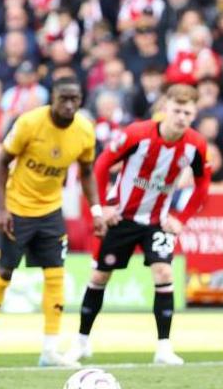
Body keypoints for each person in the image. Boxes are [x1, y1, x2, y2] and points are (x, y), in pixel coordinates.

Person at [70, 84, 211, 366]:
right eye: (177, 110)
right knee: (99, 277)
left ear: (194, 114)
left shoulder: (196, 145)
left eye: (188, 112)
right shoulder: (136, 134)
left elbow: (203, 184)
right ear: (164, 108)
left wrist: (180, 218)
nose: (181, 117)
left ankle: (163, 347)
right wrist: (102, 209)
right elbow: (101, 166)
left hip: (157, 221)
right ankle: (82, 342)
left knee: (163, 273)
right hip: (121, 217)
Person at [0, 76, 106, 368]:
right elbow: (1, 165)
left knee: (56, 275)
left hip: (50, 212)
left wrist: (96, 210)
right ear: (53, 99)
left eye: (75, 99)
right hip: (18, 209)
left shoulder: (85, 131)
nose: (70, 105)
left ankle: (49, 348)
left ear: (81, 100)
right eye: (64, 99)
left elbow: (87, 172)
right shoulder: (29, 123)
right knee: (4, 273)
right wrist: (3, 209)